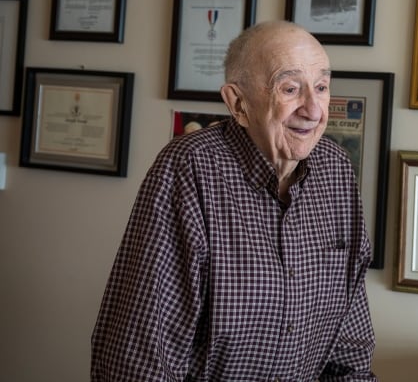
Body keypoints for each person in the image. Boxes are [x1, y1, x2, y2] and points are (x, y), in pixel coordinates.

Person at [91, 21, 377, 381]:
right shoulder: (190, 169)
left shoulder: (335, 170)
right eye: (290, 88)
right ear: (237, 103)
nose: (313, 109)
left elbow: (349, 343)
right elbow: (139, 355)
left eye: (320, 87)